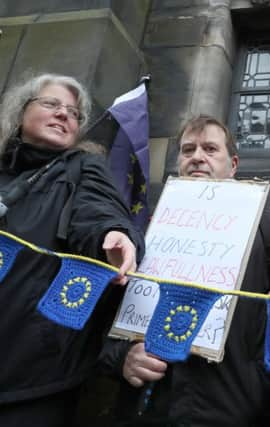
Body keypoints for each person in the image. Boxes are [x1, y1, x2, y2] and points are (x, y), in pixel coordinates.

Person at [100, 115, 270, 427]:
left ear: (233, 164)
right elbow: (112, 308)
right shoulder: (144, 229)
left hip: (231, 406)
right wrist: (122, 357)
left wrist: (258, 385)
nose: (197, 157)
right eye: (187, 150)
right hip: (148, 405)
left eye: (210, 149)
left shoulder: (268, 225)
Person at [0, 73, 145, 426]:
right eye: (51, 104)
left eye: (74, 112)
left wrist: (113, 234)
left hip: (34, 374)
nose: (65, 114)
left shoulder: (84, 167)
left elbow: (98, 212)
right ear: (21, 113)